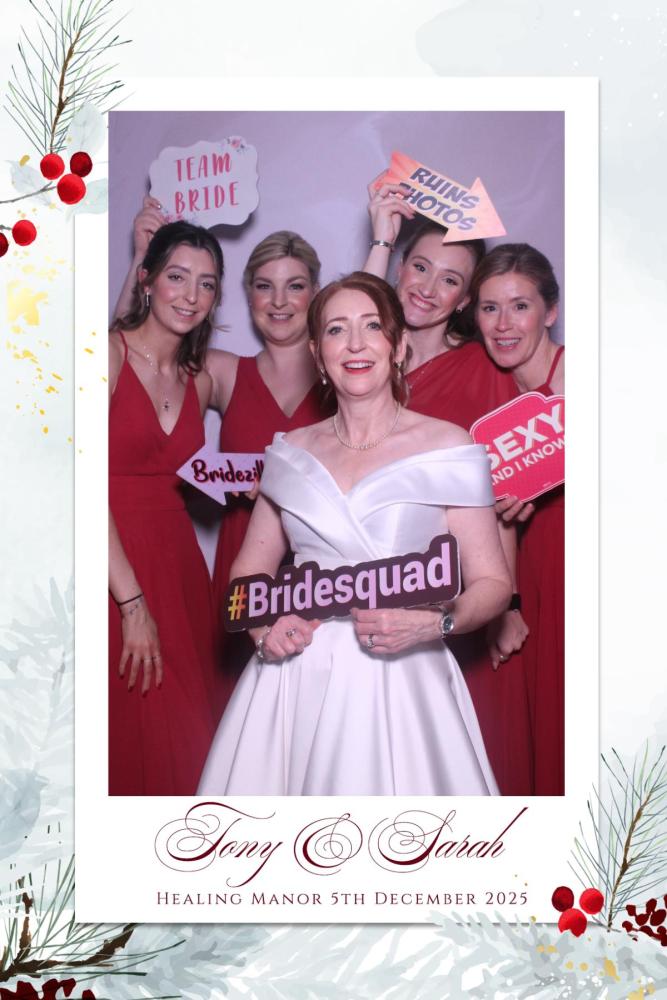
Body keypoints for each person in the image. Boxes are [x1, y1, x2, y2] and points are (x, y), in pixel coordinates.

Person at [198, 272, 512, 796]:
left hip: (404, 678)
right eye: (337, 330)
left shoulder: (449, 446)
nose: (356, 344)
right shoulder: (289, 452)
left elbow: (493, 583)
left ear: (399, 346)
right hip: (298, 675)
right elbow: (248, 571)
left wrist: (435, 624)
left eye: (372, 326)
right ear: (318, 355)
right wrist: (262, 630)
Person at [116, 202, 329, 711]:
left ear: (317, 294)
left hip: (317, 567)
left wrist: (382, 240)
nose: (279, 301)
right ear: (247, 295)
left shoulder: (343, 370)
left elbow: (370, 318)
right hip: (237, 565)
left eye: (296, 286)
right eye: (264, 286)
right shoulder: (217, 369)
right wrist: (141, 259)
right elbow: (129, 357)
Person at [364, 180, 534, 795]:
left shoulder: (482, 372)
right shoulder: (359, 360)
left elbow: (498, 499)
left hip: (452, 596)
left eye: (450, 280)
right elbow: (353, 314)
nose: (427, 288)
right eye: (419, 266)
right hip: (361, 585)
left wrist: (507, 603)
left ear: (465, 299)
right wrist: (381, 238)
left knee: (449, 764)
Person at [108, 220, 223, 795]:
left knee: (190, 742)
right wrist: (131, 604)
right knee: (129, 732)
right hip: (115, 567)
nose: (191, 296)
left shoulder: (198, 380)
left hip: (179, 572)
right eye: (177, 277)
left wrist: (243, 484)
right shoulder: (106, 354)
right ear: (147, 279)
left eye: (206, 284)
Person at [471, 243, 564, 796]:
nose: (503, 325)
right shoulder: (484, 387)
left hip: (568, 563)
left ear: (550, 311)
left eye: (520, 306)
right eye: (489, 308)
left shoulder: (586, 378)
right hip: (505, 578)